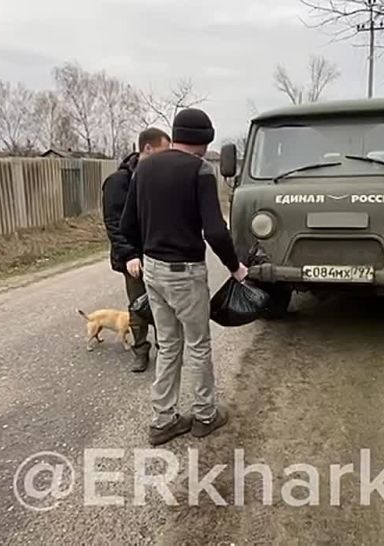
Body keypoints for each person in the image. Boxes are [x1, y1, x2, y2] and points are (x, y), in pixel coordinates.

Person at [120, 108, 248, 446]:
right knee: (198, 344)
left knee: (168, 344)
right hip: (185, 273)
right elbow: (216, 232)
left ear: (176, 135)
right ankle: (205, 415)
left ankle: (163, 421)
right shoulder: (200, 170)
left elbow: (126, 226)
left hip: (153, 271)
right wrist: (236, 268)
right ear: (205, 141)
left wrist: (135, 254)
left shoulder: (144, 168)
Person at [101, 127, 171, 373]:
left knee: (164, 304)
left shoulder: (159, 178)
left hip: (159, 254)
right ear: (148, 149)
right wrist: (129, 254)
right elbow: (114, 223)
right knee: (138, 306)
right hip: (134, 259)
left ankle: (166, 350)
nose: (167, 157)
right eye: (164, 151)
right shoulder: (118, 182)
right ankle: (141, 350)